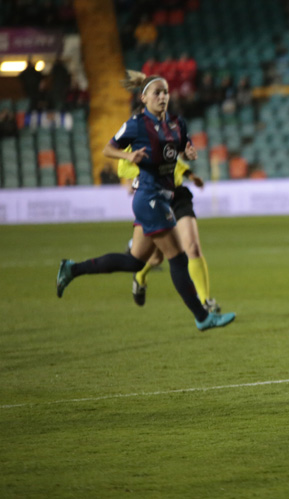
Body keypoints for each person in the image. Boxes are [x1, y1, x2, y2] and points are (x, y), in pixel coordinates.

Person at [55, 72, 235, 331]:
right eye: (156, 93)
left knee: (135, 261)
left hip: (164, 197)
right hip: (149, 198)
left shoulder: (177, 123)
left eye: (165, 92)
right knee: (177, 257)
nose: (162, 97)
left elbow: (181, 148)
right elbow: (108, 149)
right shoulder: (136, 124)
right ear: (144, 98)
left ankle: (72, 269)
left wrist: (189, 152)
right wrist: (128, 157)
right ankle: (202, 316)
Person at [118, 142, 220, 313]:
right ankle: (140, 275)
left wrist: (190, 174)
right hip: (155, 195)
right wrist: (150, 174)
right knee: (157, 257)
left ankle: (205, 301)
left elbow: (174, 160)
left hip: (178, 195)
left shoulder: (168, 132)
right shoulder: (135, 135)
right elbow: (122, 169)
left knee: (192, 247)